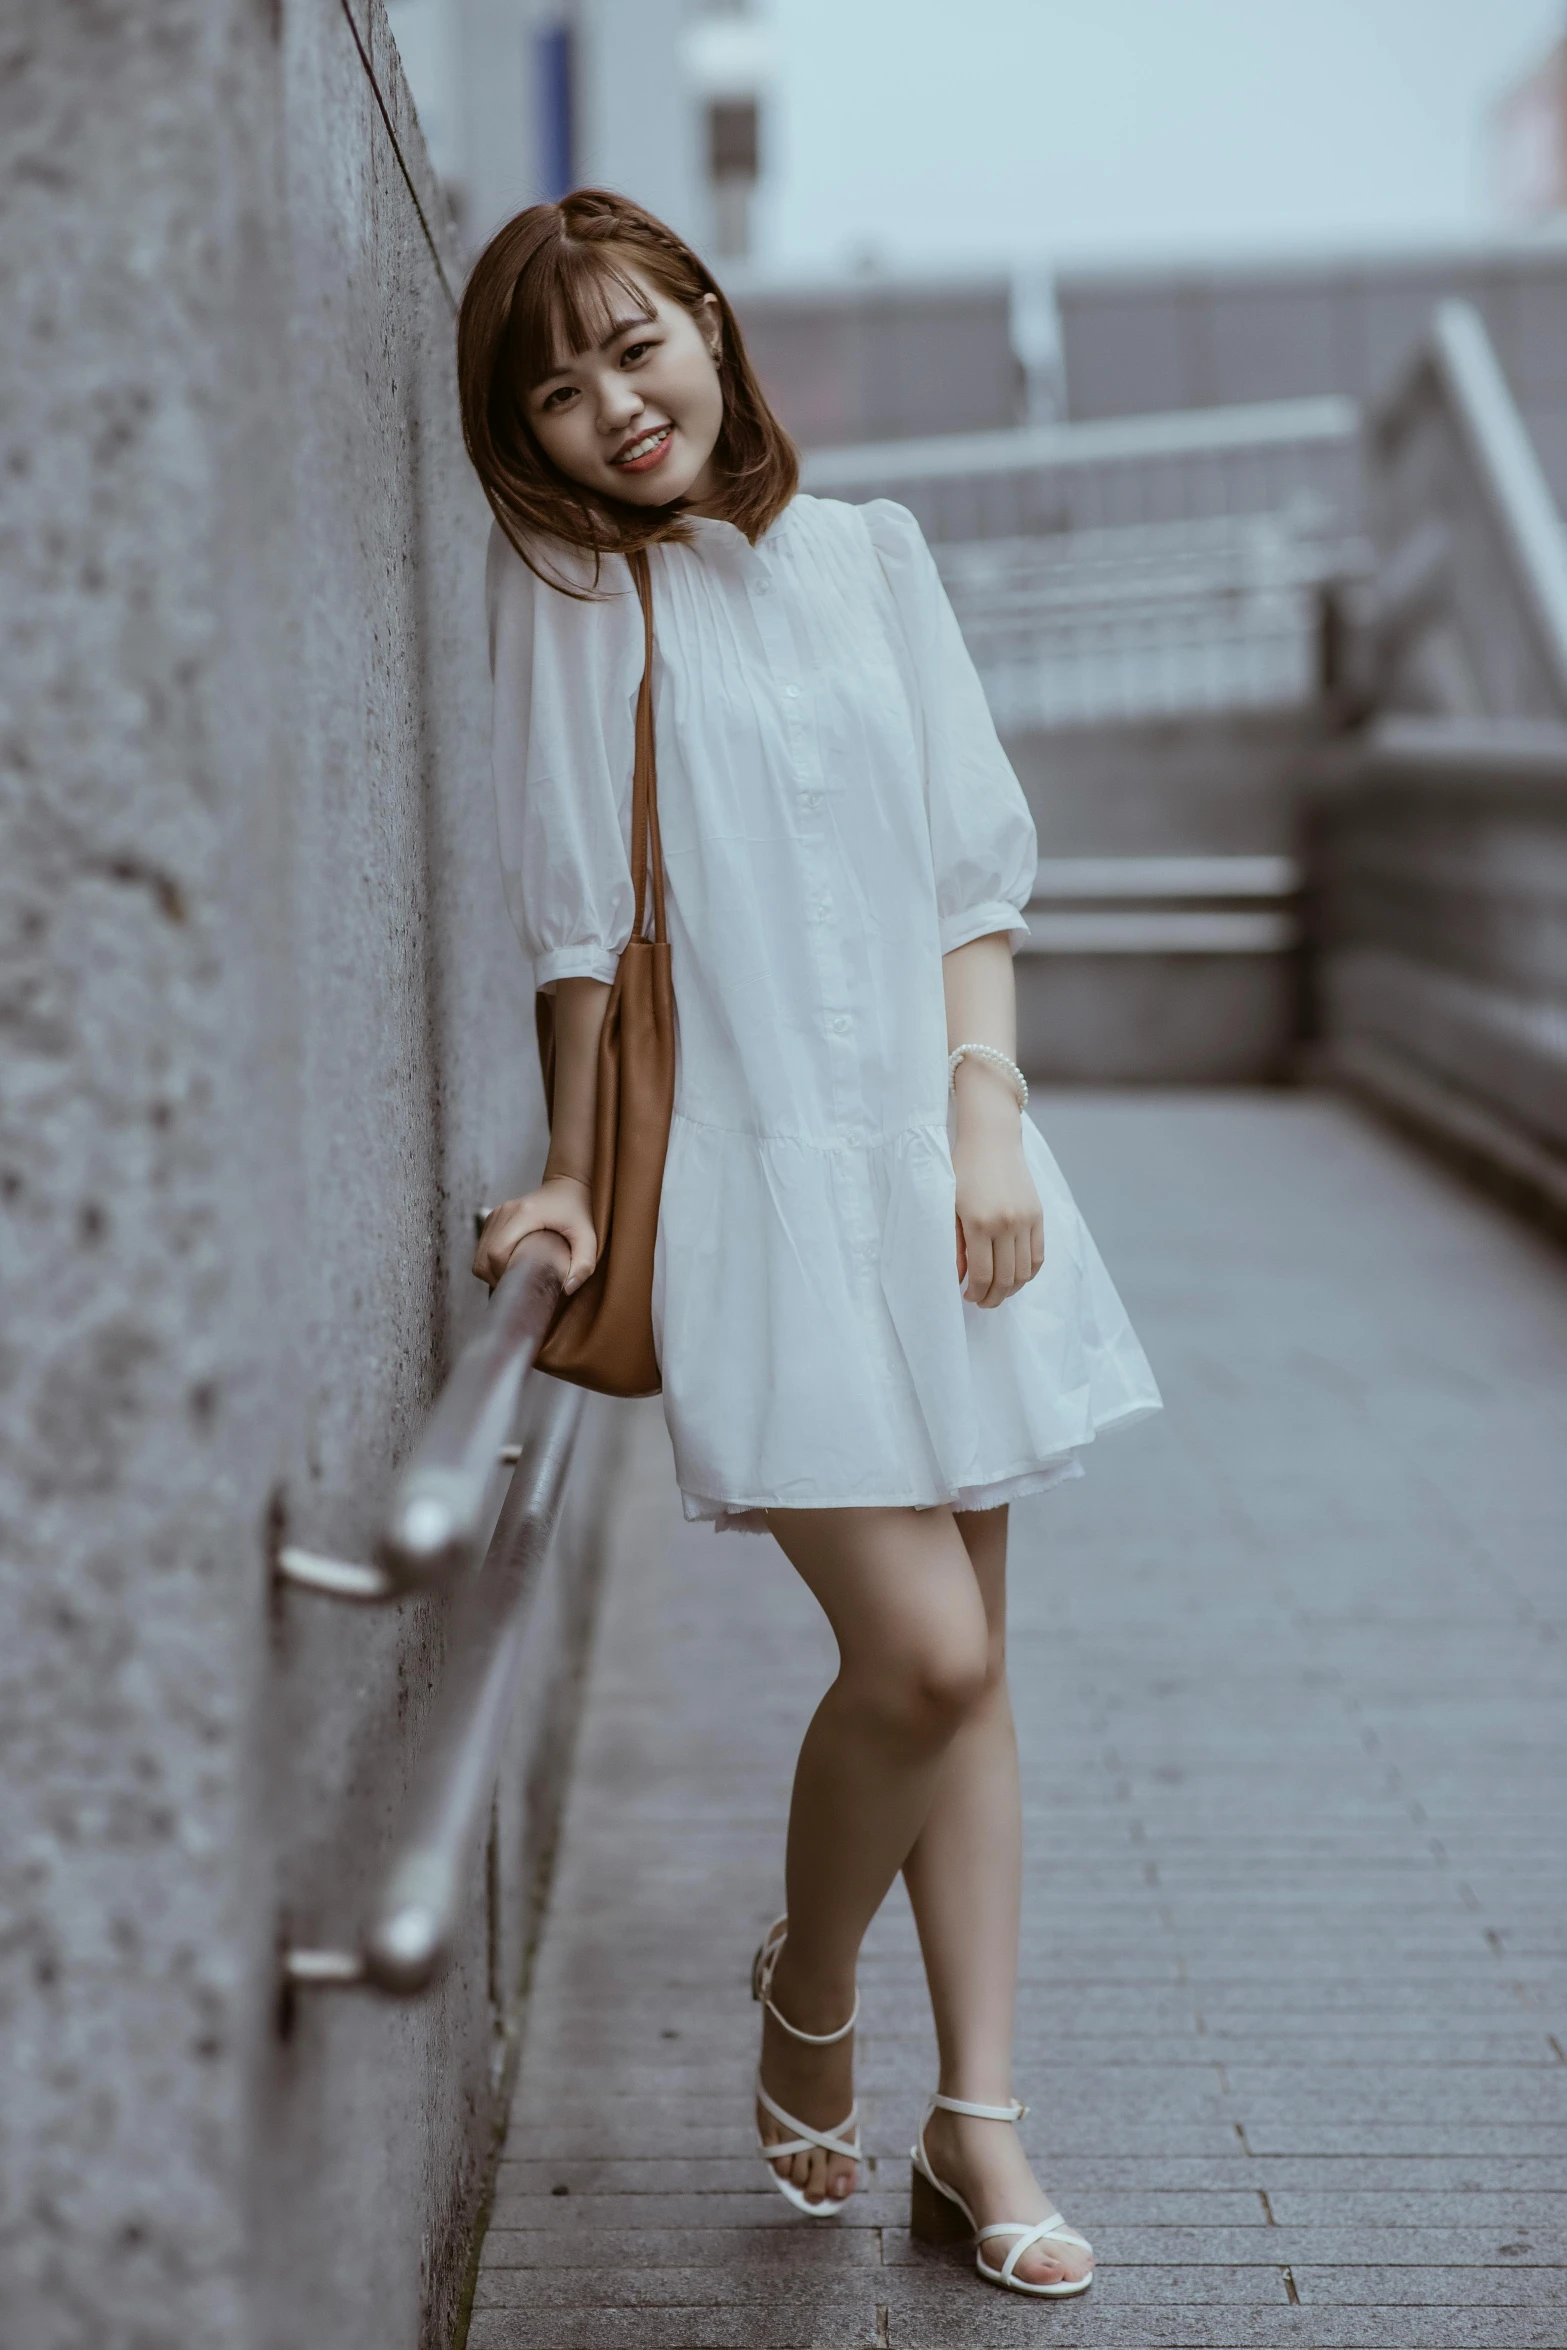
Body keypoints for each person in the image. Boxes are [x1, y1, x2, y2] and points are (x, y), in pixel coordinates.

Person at [458, 189, 1159, 2300]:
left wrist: (986, 1120)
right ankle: (808, 1982)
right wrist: (575, 1169)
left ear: (708, 318)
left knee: (978, 1671)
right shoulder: (580, 593)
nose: (614, 404)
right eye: (560, 388)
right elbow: (580, 926)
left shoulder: (874, 557)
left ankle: (982, 2123)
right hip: (756, 1180)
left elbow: (971, 876)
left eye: (633, 343)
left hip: (941, 1175)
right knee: (922, 1653)